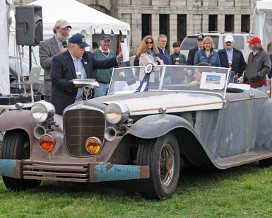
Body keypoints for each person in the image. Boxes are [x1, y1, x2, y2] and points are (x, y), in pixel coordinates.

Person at [50, 33, 121, 115]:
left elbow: (101, 64)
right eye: (81, 47)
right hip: (64, 102)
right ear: (72, 46)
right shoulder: (59, 59)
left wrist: (117, 59)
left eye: (84, 47)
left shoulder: (88, 56)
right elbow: (56, 80)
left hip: (81, 101)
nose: (83, 49)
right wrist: (74, 85)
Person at [39, 19, 72, 102]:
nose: (66, 32)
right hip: (51, 88)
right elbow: (44, 63)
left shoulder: (70, 45)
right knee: (52, 114)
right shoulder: (45, 44)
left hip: (67, 88)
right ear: (56, 29)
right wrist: (59, 55)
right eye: (64, 29)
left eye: (68, 29)